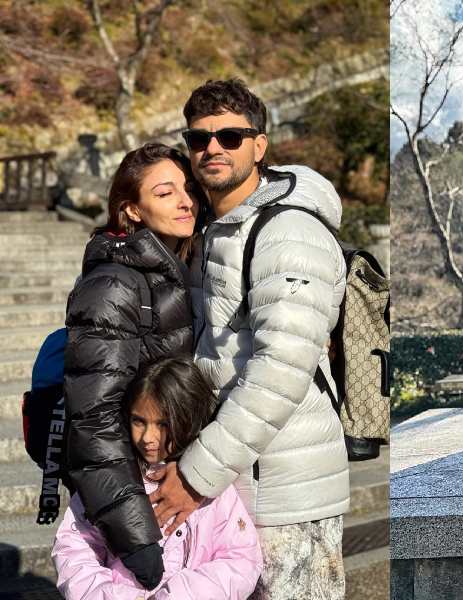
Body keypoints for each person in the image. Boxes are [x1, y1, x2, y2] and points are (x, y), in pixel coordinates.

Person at [148, 79, 349, 600]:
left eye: (231, 136)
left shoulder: (288, 232)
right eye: (199, 139)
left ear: (260, 145)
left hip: (285, 491)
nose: (212, 148)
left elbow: (280, 368)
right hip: (237, 482)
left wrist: (194, 475)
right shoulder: (218, 229)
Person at [63, 143, 202, 590]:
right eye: (165, 193)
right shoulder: (115, 285)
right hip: (137, 509)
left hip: (164, 486)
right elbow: (96, 418)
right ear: (133, 211)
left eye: (188, 189)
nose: (185, 201)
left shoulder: (175, 270)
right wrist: (138, 542)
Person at [53, 357, 262, 599]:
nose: (148, 438)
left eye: (163, 424)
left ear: (188, 418)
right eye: (138, 421)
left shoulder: (210, 489)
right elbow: (73, 546)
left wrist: (182, 594)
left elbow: (241, 558)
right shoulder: (111, 480)